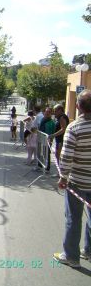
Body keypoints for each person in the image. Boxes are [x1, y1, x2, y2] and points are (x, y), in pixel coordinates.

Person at [54, 90, 91, 268]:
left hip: (77, 182)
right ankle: (89, 250)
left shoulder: (74, 127)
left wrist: (63, 177)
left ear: (78, 107)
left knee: (73, 218)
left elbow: (66, 157)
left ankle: (71, 256)